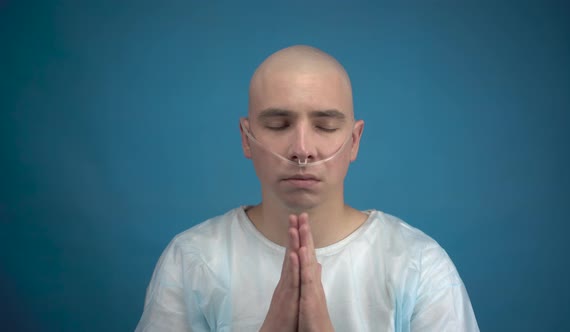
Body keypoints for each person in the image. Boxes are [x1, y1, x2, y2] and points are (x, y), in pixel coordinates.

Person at [136, 45, 479, 331]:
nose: (302, 149)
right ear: (246, 138)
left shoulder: (417, 265)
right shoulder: (193, 261)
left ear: (355, 141)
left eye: (325, 125)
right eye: (278, 124)